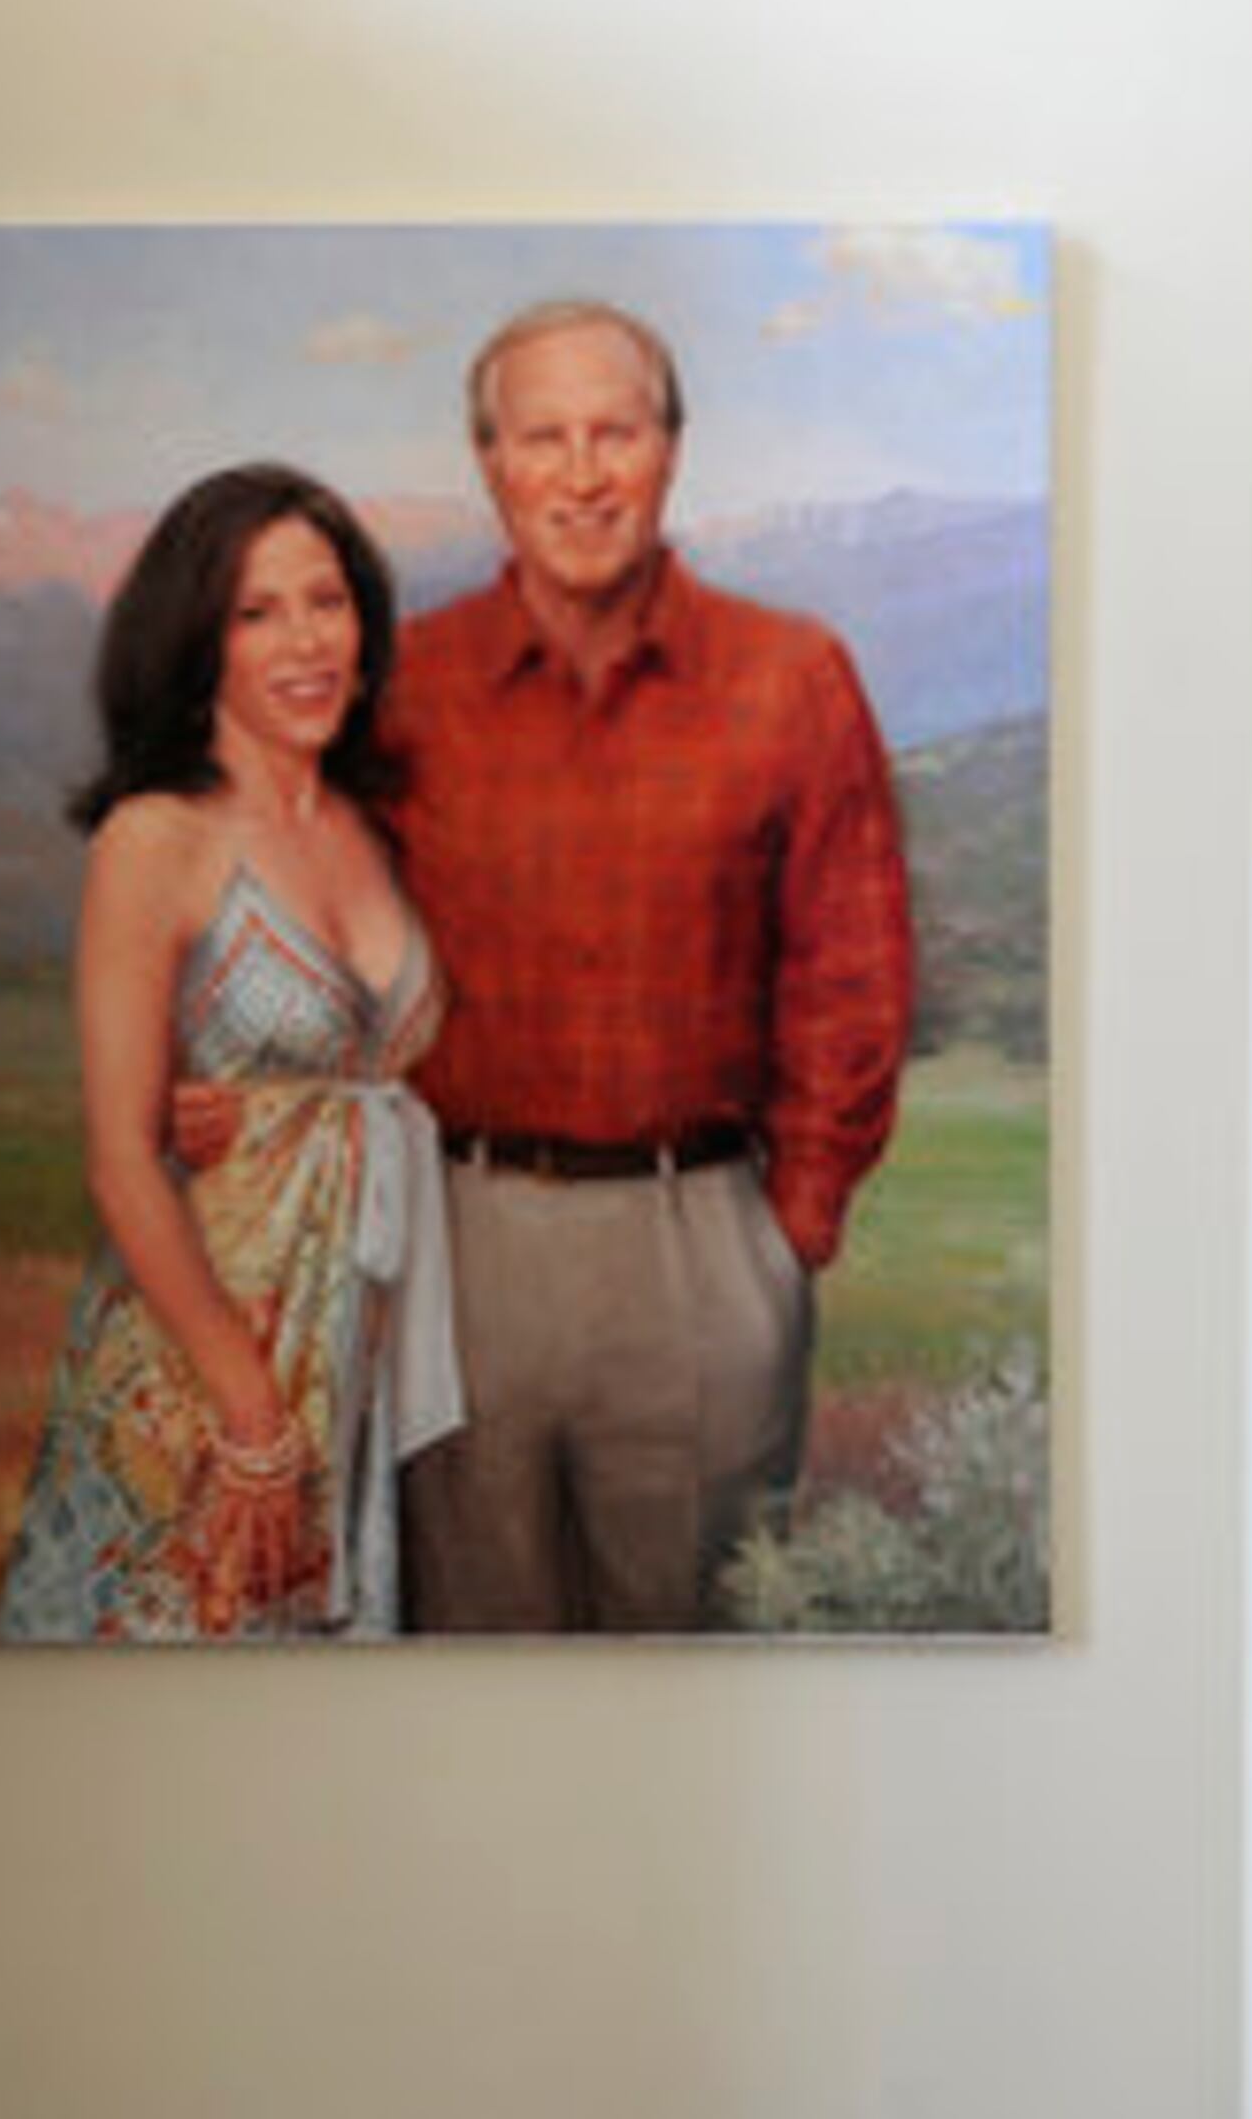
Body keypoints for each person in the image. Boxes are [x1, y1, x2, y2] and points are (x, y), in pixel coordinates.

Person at [386, 301, 914, 1631]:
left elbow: (851, 973)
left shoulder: (791, 677)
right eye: (542, 438)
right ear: (488, 461)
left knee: (697, 1690)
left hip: (702, 1239)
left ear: (672, 449)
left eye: (614, 432)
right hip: (456, 1243)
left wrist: (784, 1239)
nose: (580, 474)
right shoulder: (407, 685)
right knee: (468, 1667)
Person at [0, 464, 464, 1641]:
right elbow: (119, 1156)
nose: (306, 642)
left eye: (328, 601)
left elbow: (373, 1079)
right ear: (197, 640)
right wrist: (248, 1408)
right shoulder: (157, 838)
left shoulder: (373, 823)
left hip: (349, 1347)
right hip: (199, 1367)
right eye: (259, 614)